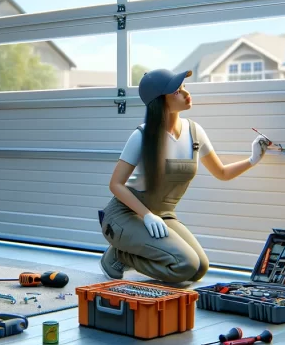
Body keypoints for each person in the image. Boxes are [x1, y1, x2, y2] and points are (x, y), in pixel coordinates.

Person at [98, 68, 270, 284]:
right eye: (176, 92)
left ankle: (129, 253)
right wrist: (147, 215)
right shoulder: (141, 136)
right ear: (160, 101)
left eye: (184, 88)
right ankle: (118, 255)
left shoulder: (194, 132)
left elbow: (222, 173)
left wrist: (252, 159)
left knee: (199, 268)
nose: (186, 94)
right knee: (185, 265)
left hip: (163, 215)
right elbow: (115, 184)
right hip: (125, 215)